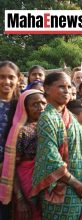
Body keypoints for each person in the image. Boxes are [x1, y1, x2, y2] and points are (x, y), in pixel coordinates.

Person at [30, 72, 82, 219]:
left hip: (78, 190)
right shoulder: (47, 118)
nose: (67, 91)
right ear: (46, 88)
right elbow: (51, 159)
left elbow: (75, 145)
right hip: (62, 190)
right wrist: (77, 184)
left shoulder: (68, 115)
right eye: (61, 87)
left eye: (69, 87)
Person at [0, 89, 46, 220]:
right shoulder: (22, 132)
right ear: (25, 108)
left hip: (45, 182)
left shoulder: (47, 126)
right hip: (26, 184)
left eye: (43, 103)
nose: (41, 107)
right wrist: (20, 199)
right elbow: (11, 167)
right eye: (35, 104)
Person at [0, 61, 19, 220]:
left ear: (18, 79)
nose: (6, 82)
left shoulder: (23, 106)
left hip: (16, 173)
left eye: (11, 77)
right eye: (2, 77)